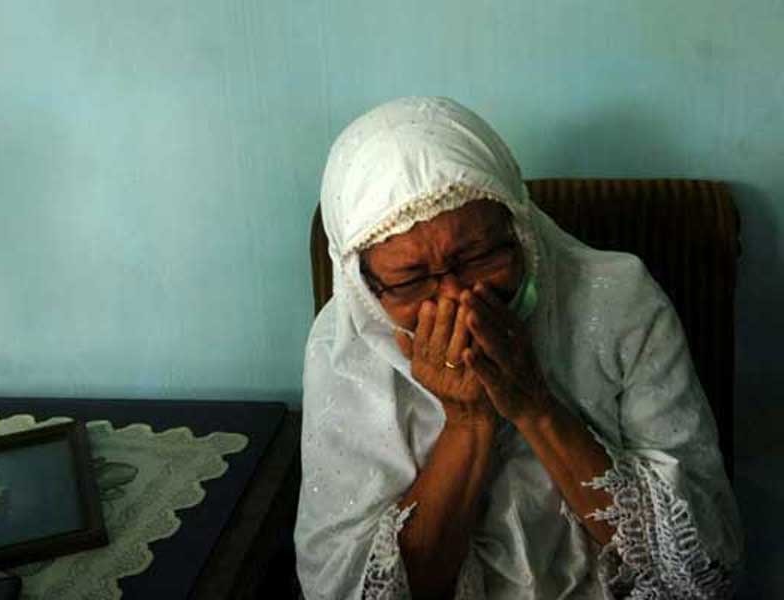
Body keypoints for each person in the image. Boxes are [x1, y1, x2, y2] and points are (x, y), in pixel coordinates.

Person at [294, 96, 743, 599]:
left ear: (519, 228)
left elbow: (697, 572)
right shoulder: (345, 345)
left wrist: (534, 404)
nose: (457, 298)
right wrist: (468, 422)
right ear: (365, 287)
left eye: (479, 255)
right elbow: (347, 587)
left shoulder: (620, 300)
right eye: (411, 279)